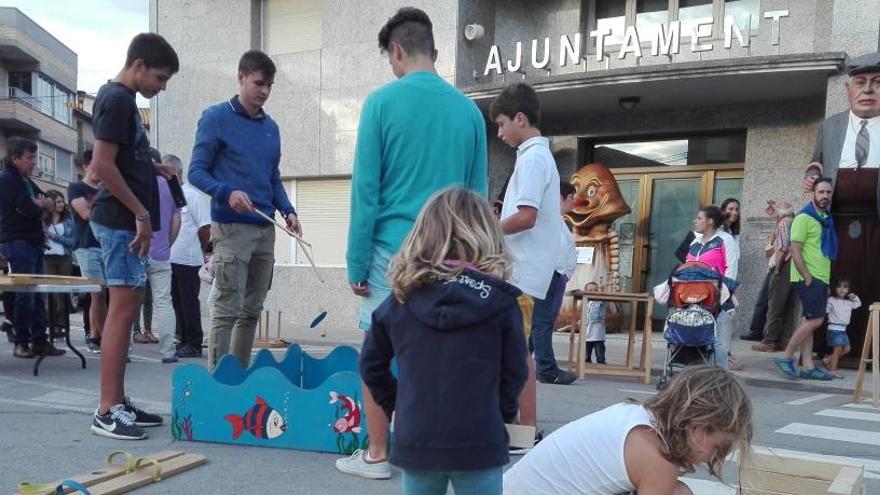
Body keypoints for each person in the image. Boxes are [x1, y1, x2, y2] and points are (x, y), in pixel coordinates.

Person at [338, 7, 487, 480]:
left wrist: (356, 262)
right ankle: (440, 455)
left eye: (390, 58)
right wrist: (477, 262)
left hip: (390, 252)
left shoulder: (381, 103)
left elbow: (366, 191)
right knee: (442, 353)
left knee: (378, 352)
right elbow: (477, 197)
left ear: (397, 50)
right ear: (435, 52)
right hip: (453, 251)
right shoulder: (469, 112)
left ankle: (378, 454)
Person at [360, 188, 528, 495]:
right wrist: (500, 412)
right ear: (487, 235)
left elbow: (371, 365)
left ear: (422, 235)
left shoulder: (400, 301)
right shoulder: (501, 303)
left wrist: (396, 404)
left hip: (417, 439)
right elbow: (515, 372)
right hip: (480, 438)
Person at [88, 32, 179, 440]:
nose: (162, 88)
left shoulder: (125, 102)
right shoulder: (117, 99)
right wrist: (141, 212)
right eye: (160, 78)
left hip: (127, 223)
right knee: (122, 312)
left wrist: (153, 169)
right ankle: (107, 410)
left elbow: (123, 159)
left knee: (126, 311)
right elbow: (102, 165)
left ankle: (119, 402)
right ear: (138, 65)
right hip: (121, 221)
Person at [189, 50, 300, 370]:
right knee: (227, 308)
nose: (264, 91)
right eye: (259, 83)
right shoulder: (215, 118)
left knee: (252, 309)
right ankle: (218, 380)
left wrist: (288, 210)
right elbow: (196, 172)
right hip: (232, 228)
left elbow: (272, 177)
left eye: (270, 85)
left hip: (265, 229)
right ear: (241, 77)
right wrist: (226, 192)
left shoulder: (271, 128)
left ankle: (237, 375)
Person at [502, 365, 752, 495]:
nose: (713, 457)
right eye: (717, 447)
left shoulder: (637, 418)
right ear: (697, 428)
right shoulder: (657, 457)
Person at [806, 51, 880, 361]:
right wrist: (811, 175)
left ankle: (872, 351)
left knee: (875, 285)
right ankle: (829, 350)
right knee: (834, 285)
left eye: (877, 83)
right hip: (835, 223)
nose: (868, 90)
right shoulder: (831, 126)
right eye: (860, 82)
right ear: (848, 89)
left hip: (876, 222)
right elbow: (816, 161)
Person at [0, 137, 65, 358]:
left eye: (35, 157)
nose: (34, 162)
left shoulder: (24, 180)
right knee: (24, 295)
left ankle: (39, 341)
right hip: (18, 242)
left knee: (37, 295)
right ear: (15, 158)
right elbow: (28, 208)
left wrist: (41, 203)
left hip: (34, 242)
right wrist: (40, 206)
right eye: (30, 158)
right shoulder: (8, 179)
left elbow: (48, 199)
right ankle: (21, 342)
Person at [773, 178, 836, 381]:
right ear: (813, 194)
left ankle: (808, 366)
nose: (825, 196)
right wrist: (807, 276)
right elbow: (795, 250)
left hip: (820, 276)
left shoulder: (825, 218)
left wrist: (825, 281)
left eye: (828, 192)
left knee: (808, 320)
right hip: (809, 277)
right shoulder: (803, 218)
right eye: (821, 192)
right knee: (816, 320)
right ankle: (786, 356)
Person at [684, 206, 739, 369]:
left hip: (718, 298)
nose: (696, 221)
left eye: (699, 218)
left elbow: (731, 269)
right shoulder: (695, 242)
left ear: (710, 221)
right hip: (694, 298)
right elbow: (687, 268)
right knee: (697, 338)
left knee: (717, 341)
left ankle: (723, 377)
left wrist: (723, 293)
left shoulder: (725, 239)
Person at [168, 153, 211, 359]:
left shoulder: (192, 196)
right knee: (176, 301)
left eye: (168, 172)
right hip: (170, 259)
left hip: (188, 259)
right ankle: (183, 339)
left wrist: (202, 249)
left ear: (179, 172)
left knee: (188, 301)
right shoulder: (166, 197)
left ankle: (194, 342)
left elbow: (205, 228)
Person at [68, 149, 107, 353]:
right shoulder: (76, 188)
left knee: (105, 295)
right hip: (87, 246)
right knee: (97, 293)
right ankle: (100, 337)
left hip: (106, 246)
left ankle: (96, 335)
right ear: (85, 165)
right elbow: (85, 214)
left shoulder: (106, 187)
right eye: (95, 165)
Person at [752, 202, 797, 353]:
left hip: (784, 266)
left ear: (780, 214)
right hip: (793, 266)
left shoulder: (784, 223)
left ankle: (769, 341)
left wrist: (777, 269)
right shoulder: (794, 222)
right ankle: (783, 340)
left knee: (775, 305)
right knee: (787, 306)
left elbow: (783, 248)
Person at [147, 173, 181, 363]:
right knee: (164, 303)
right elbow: (177, 220)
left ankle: (125, 351)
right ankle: (168, 351)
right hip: (161, 254)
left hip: (135, 250)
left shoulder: (136, 179)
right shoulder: (171, 186)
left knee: (129, 303)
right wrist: (167, 244)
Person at [42, 190, 76, 338]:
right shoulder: (43, 220)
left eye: (62, 201)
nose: (61, 204)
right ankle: (51, 324)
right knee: (52, 293)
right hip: (47, 258)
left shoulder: (69, 221)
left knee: (62, 293)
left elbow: (73, 242)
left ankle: (61, 325)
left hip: (64, 258)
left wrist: (55, 238)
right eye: (58, 202)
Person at [718, 198, 742, 369]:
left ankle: (725, 353)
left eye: (737, 209)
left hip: (729, 283)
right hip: (722, 284)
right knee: (726, 318)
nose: (734, 212)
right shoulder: (720, 232)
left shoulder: (733, 232)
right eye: (730, 208)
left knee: (727, 319)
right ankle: (723, 355)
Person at [822, 277, 860, 379]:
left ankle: (828, 360)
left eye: (845, 287)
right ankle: (833, 370)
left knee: (847, 349)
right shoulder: (831, 300)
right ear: (835, 288)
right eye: (839, 286)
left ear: (849, 290)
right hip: (834, 329)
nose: (842, 289)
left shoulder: (849, 302)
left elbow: (858, 304)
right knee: (837, 350)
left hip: (843, 330)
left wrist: (854, 297)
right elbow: (825, 310)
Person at [583, 282, 606, 364]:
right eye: (590, 290)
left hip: (598, 335)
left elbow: (603, 298)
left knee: (600, 356)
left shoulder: (599, 302)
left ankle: (601, 365)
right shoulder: (586, 303)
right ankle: (587, 365)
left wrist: (602, 291)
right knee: (585, 356)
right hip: (586, 334)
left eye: (596, 290)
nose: (593, 292)